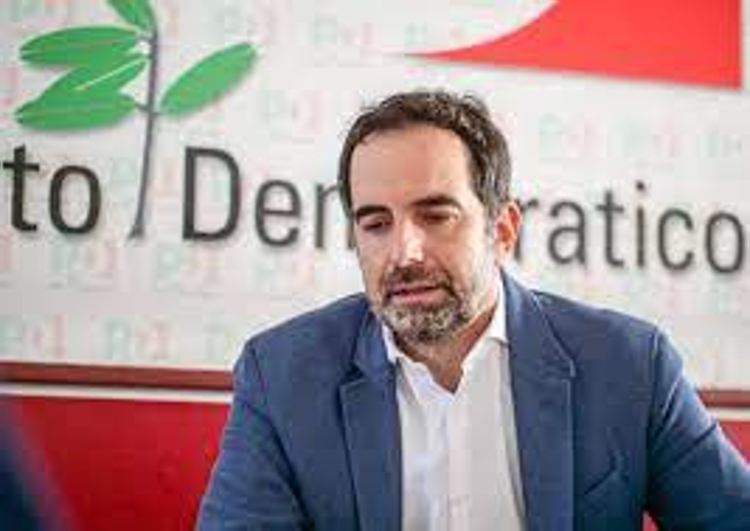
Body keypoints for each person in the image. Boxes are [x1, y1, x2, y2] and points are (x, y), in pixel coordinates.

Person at [197, 89, 750, 530]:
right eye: (376, 224)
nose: (404, 252)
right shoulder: (282, 375)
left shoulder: (629, 364)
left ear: (502, 230)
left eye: (435, 216)